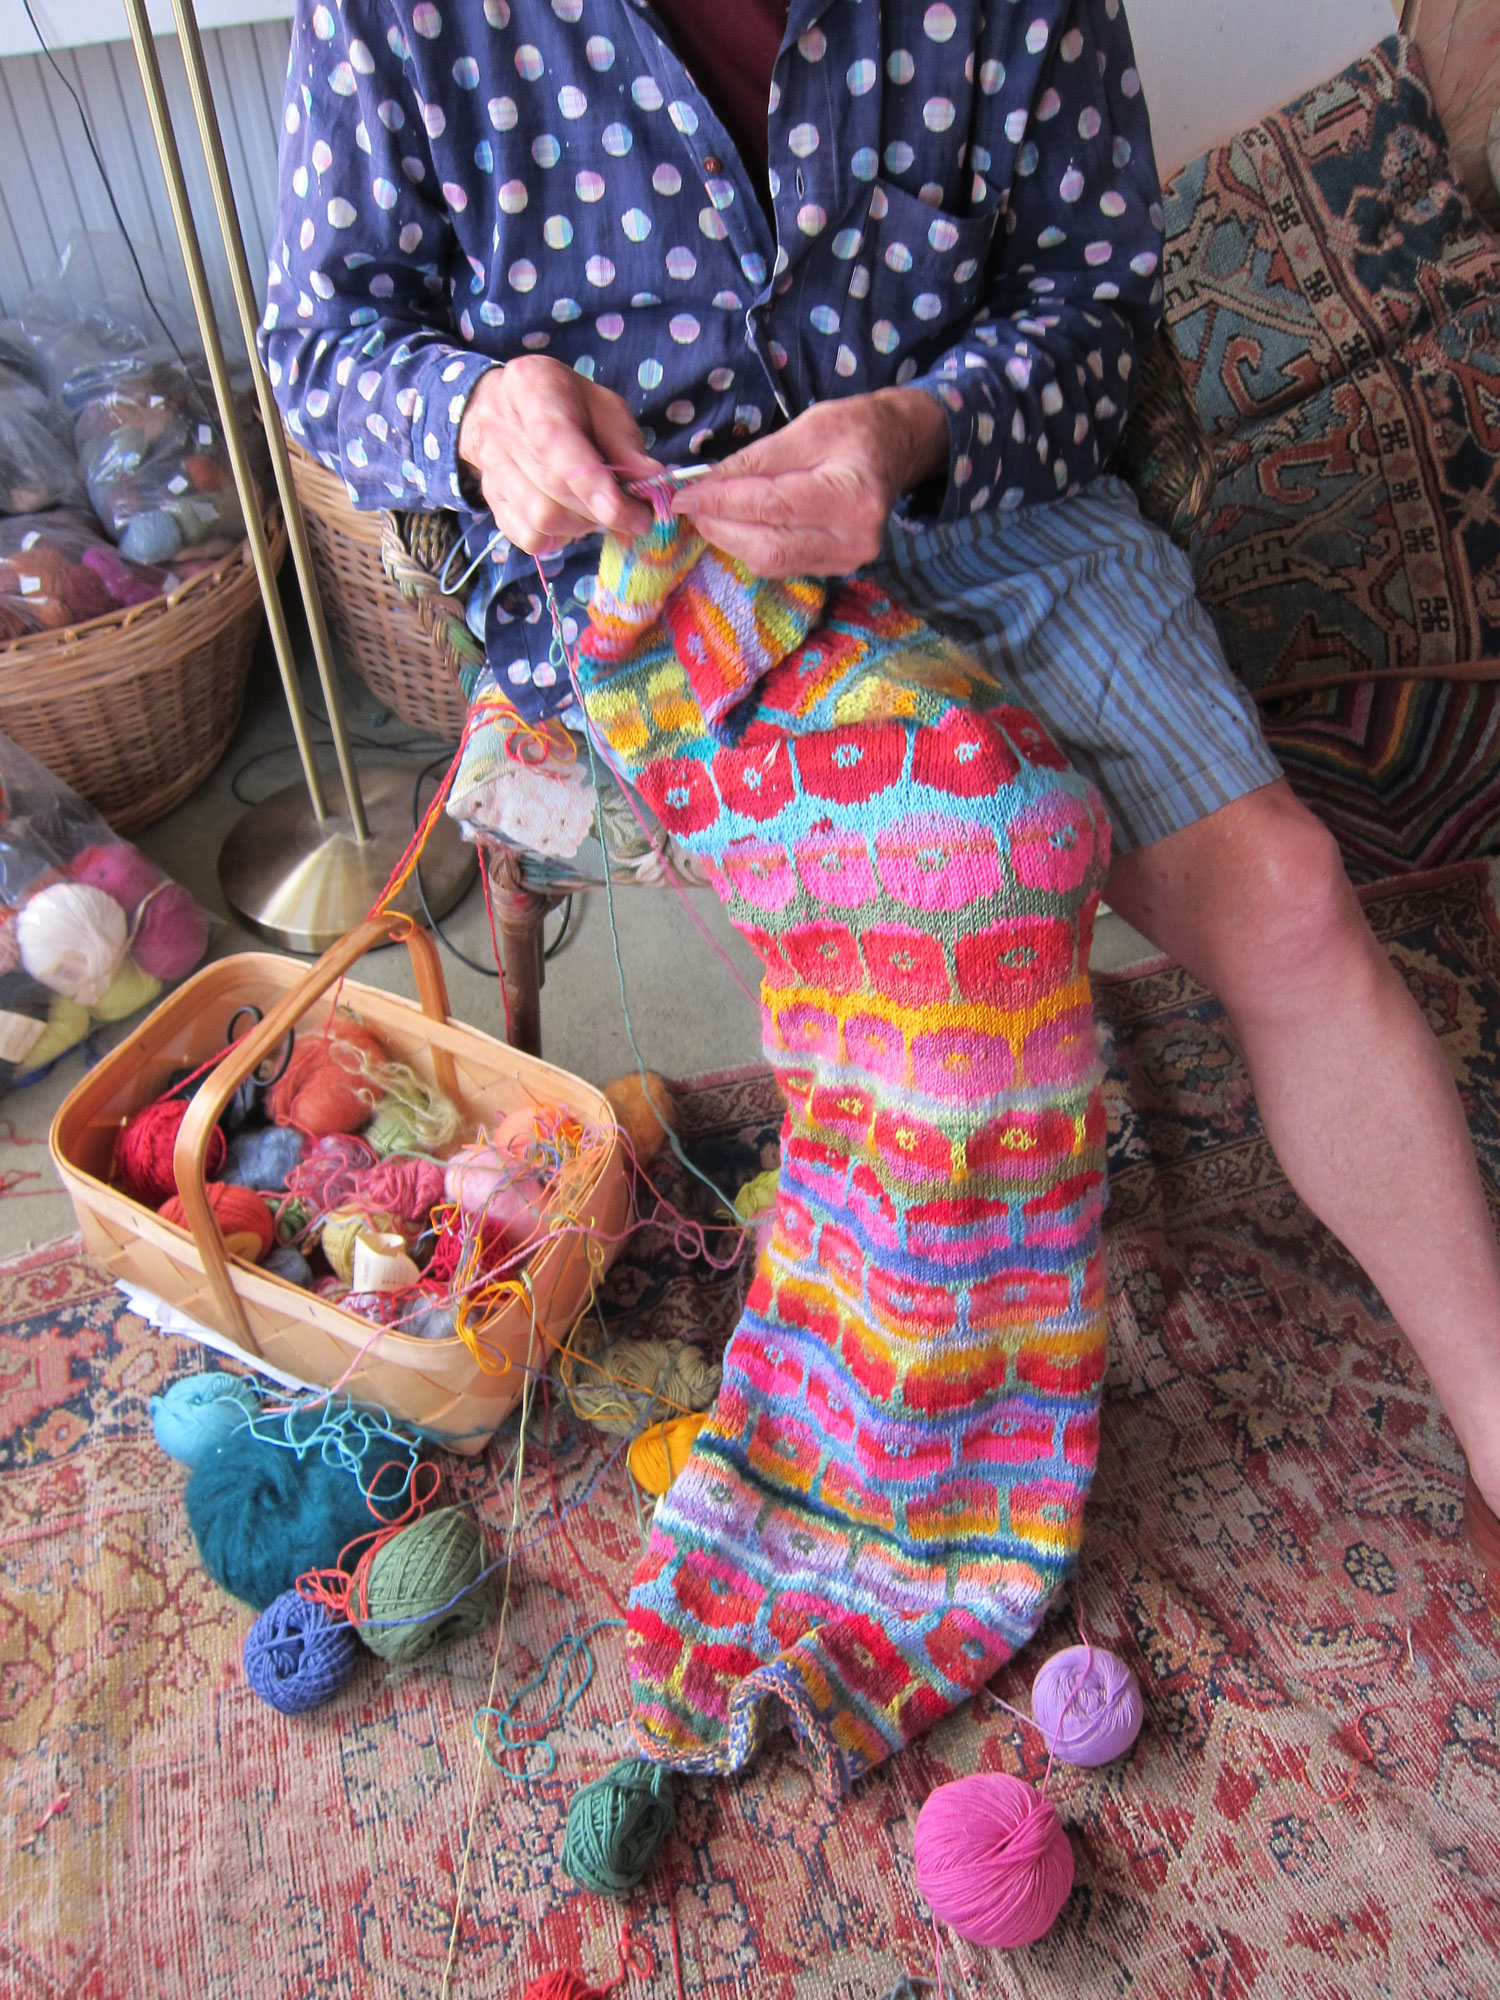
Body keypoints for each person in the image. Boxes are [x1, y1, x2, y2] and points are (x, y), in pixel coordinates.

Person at [263, 0, 1500, 1790]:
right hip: (661, 572)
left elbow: (1094, 309)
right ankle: (906, 1442)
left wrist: (910, 436)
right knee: (974, 860)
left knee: (1297, 905)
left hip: (993, 510)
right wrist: (483, 405)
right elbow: (319, 343)